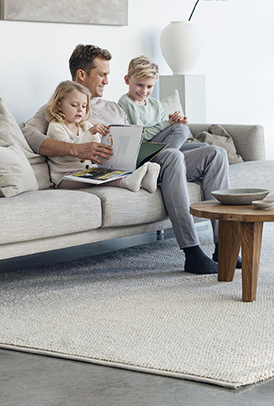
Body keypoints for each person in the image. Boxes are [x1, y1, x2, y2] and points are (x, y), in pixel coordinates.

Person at [23, 44, 233, 275]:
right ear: (82, 74)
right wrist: (77, 149)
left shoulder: (113, 106)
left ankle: (224, 248)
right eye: (102, 75)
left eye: (107, 75)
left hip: (144, 157)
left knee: (215, 154)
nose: (106, 81)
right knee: (173, 156)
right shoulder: (59, 106)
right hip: (122, 168)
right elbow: (30, 136)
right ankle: (192, 252)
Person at [43, 80, 160, 193]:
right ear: (59, 106)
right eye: (74, 105)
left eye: (84, 106)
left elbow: (96, 145)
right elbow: (72, 149)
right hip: (65, 178)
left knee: (105, 172)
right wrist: (91, 132)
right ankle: (125, 182)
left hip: (84, 172)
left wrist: (107, 141)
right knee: (97, 178)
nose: (80, 110)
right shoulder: (56, 127)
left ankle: (145, 179)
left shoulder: (84, 125)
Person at [117, 55, 190, 150]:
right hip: (145, 149)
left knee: (209, 150)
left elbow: (166, 129)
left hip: (162, 144)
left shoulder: (155, 104)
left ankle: (172, 156)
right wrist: (168, 124)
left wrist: (176, 123)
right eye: (139, 85)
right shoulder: (126, 102)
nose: (144, 91)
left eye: (149, 86)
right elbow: (140, 136)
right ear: (127, 80)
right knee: (181, 130)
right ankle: (168, 157)